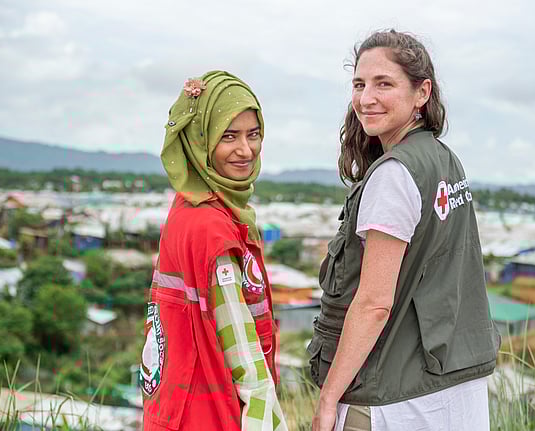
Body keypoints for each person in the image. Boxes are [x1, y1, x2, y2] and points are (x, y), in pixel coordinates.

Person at [309, 30, 501, 431]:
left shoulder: (395, 175)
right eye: (359, 84)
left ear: (422, 92)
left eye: (384, 84)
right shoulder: (444, 160)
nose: (366, 98)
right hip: (457, 391)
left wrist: (328, 399)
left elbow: (374, 304)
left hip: (395, 402)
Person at [140, 71, 288, 431]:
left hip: (177, 405)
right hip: (209, 411)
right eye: (228, 136)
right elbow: (242, 349)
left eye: (253, 135)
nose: (246, 150)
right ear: (200, 141)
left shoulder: (187, 206)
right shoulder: (212, 227)